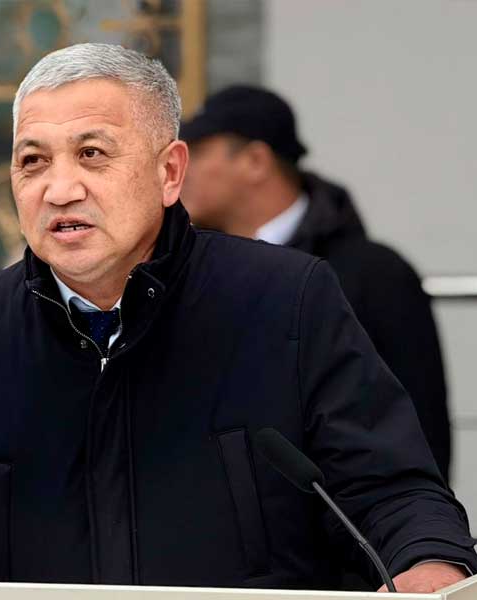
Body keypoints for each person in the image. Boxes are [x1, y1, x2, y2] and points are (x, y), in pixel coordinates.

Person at [0, 44, 476, 592]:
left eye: (92, 154)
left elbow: (389, 491)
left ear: (169, 172)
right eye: (33, 161)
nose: (60, 188)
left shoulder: (286, 301)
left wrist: (429, 562)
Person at [178, 85, 452, 482]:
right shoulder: (186, 274)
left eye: (199, 152)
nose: (181, 169)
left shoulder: (374, 275)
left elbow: (422, 439)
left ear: (255, 161)